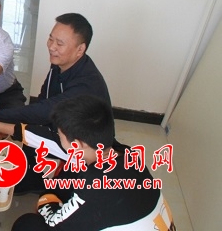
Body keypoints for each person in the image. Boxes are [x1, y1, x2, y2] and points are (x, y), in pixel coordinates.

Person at [0, 13, 111, 191]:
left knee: (14, 179)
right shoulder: (61, 63)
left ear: (80, 49)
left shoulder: (85, 86)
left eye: (60, 43)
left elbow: (45, 111)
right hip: (56, 132)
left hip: (80, 152)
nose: (52, 47)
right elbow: (43, 100)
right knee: (13, 154)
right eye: (51, 39)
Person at [11, 95, 174, 230]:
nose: (59, 139)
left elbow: (55, 223)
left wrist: (45, 200)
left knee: (27, 225)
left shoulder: (94, 188)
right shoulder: (127, 154)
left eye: (60, 136)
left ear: (78, 144)